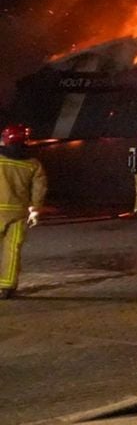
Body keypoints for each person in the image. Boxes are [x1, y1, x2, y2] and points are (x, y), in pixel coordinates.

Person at [0, 124, 47, 298]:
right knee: (13, 249)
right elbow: (39, 189)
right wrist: (35, 210)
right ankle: (6, 287)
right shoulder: (33, 164)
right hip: (18, 212)